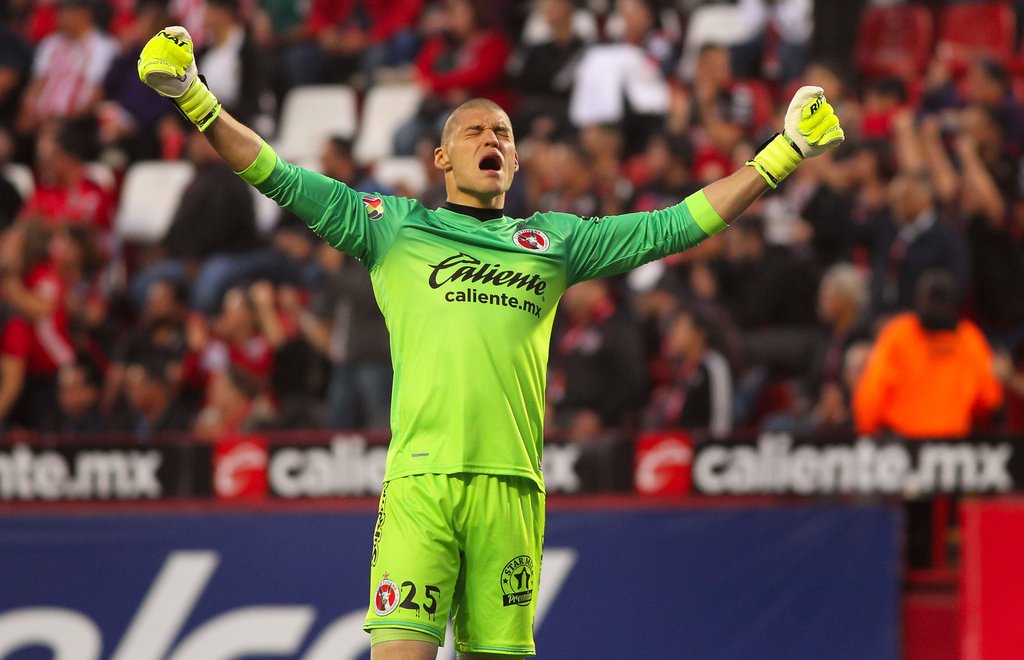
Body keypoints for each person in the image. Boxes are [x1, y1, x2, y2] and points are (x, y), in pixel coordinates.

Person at [137, 25, 843, 659]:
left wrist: (783, 154)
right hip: (422, 483)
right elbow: (277, 176)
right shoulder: (394, 228)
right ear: (441, 157)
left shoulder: (555, 241)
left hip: (512, 488)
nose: (493, 141)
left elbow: (675, 225)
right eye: (476, 131)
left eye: (503, 133)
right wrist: (195, 98)